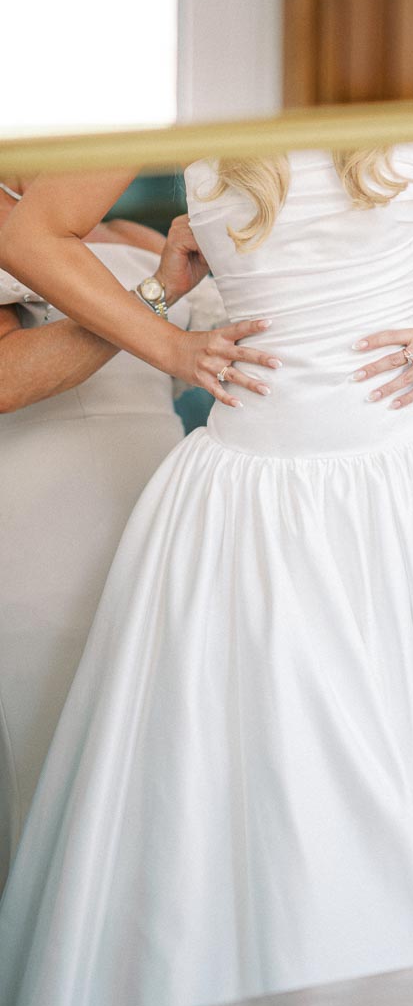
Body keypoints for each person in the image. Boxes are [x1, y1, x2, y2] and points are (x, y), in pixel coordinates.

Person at [0, 145, 413, 1006]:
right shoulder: (177, 83)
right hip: (253, 502)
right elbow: (33, 233)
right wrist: (170, 343)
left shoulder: (407, 61)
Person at [0, 177, 248, 889]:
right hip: (45, 516)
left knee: (174, 764)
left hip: (163, 504)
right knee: (59, 768)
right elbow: (6, 380)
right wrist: (157, 300)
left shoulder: (137, 240)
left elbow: (194, 363)